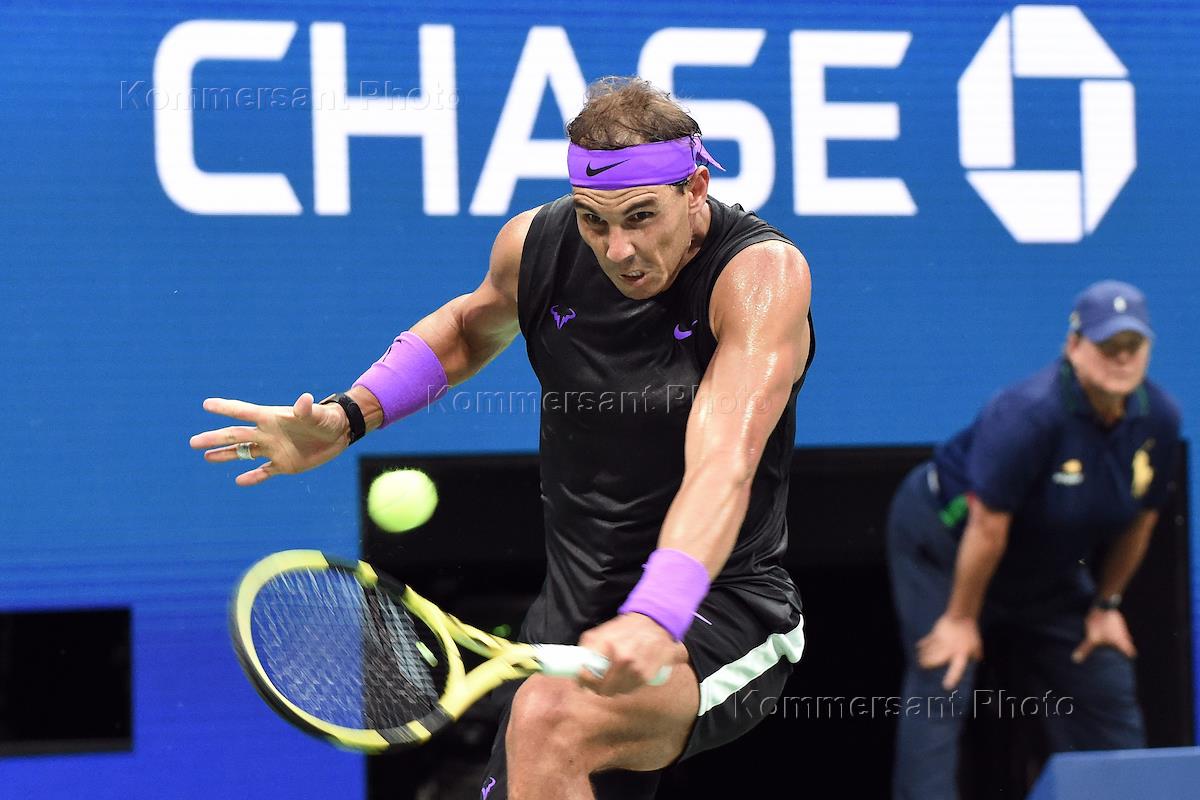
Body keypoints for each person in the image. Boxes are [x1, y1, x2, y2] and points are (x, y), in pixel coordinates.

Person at [191, 76, 814, 799]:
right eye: (594, 220)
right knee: (542, 730)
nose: (618, 248)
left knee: (549, 719)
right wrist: (350, 415)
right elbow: (465, 330)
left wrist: (657, 611)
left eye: (641, 216)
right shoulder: (538, 246)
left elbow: (723, 463)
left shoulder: (759, 277)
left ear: (696, 189)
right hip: (571, 616)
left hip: (717, 606)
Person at [886, 280, 1182, 800]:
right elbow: (988, 527)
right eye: (1107, 344)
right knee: (945, 673)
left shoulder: (1158, 418)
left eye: (1132, 345)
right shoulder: (1028, 413)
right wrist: (960, 619)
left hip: (1045, 564)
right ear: (1074, 346)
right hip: (948, 542)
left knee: (1102, 668)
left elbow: (1142, 520)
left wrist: (1106, 604)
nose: (1121, 357)